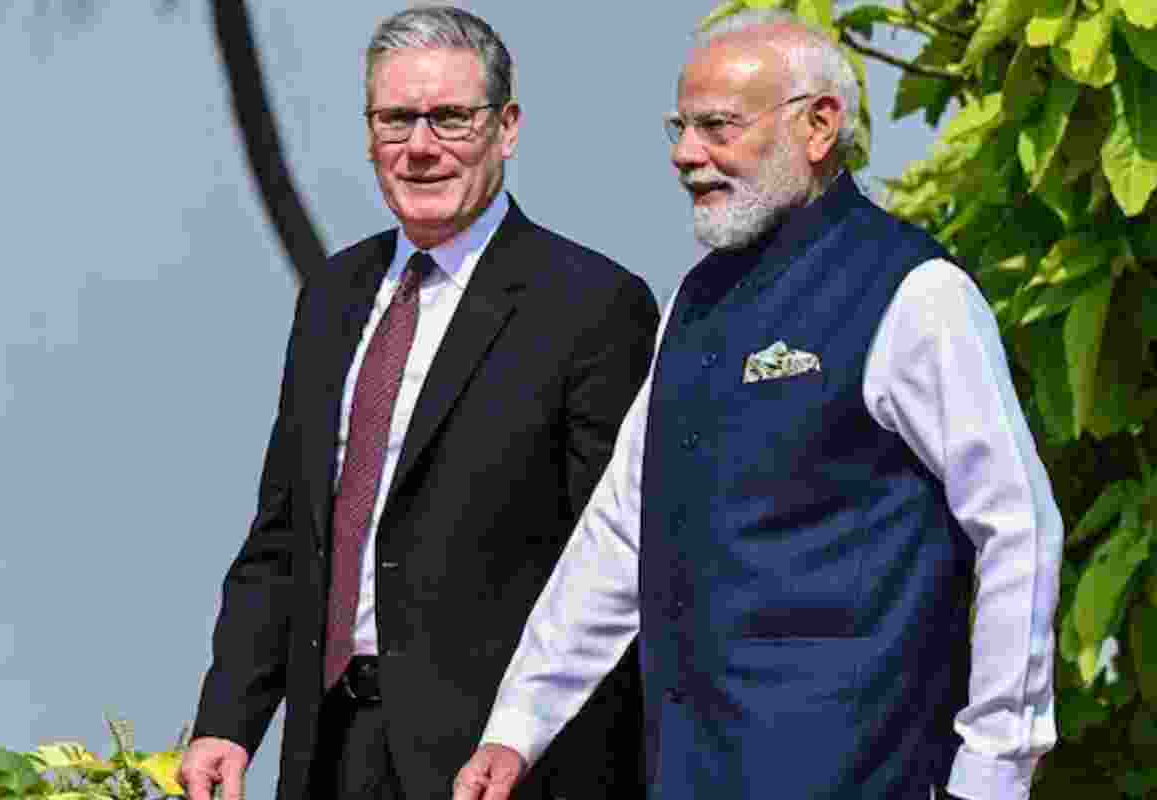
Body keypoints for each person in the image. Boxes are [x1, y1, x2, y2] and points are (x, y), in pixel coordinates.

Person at [454, 8, 1062, 800]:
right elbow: (622, 526)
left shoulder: (914, 292)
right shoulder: (695, 300)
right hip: (694, 774)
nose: (684, 153)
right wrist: (521, 723)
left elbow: (1018, 525)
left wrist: (995, 767)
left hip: (864, 775)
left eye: (717, 126)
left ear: (818, 126)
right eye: (679, 126)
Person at [177, 6, 656, 800]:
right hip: (331, 750)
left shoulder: (592, 305)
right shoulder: (333, 295)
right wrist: (228, 716)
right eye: (397, 119)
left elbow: (612, 565)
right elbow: (286, 532)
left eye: (451, 119)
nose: (421, 147)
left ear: (506, 128)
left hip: (498, 765)